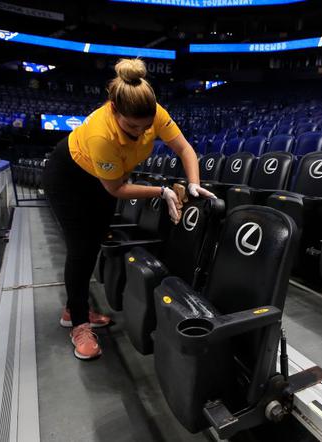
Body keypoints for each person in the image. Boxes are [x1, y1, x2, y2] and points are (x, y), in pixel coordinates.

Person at [42, 58, 215, 360]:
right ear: (113, 108)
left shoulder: (153, 113)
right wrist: (162, 192)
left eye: (146, 126)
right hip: (70, 178)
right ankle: (79, 324)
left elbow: (184, 148)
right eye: (132, 126)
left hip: (110, 178)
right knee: (80, 248)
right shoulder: (100, 134)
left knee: (95, 241)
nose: (140, 131)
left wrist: (193, 183)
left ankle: (74, 307)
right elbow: (115, 190)